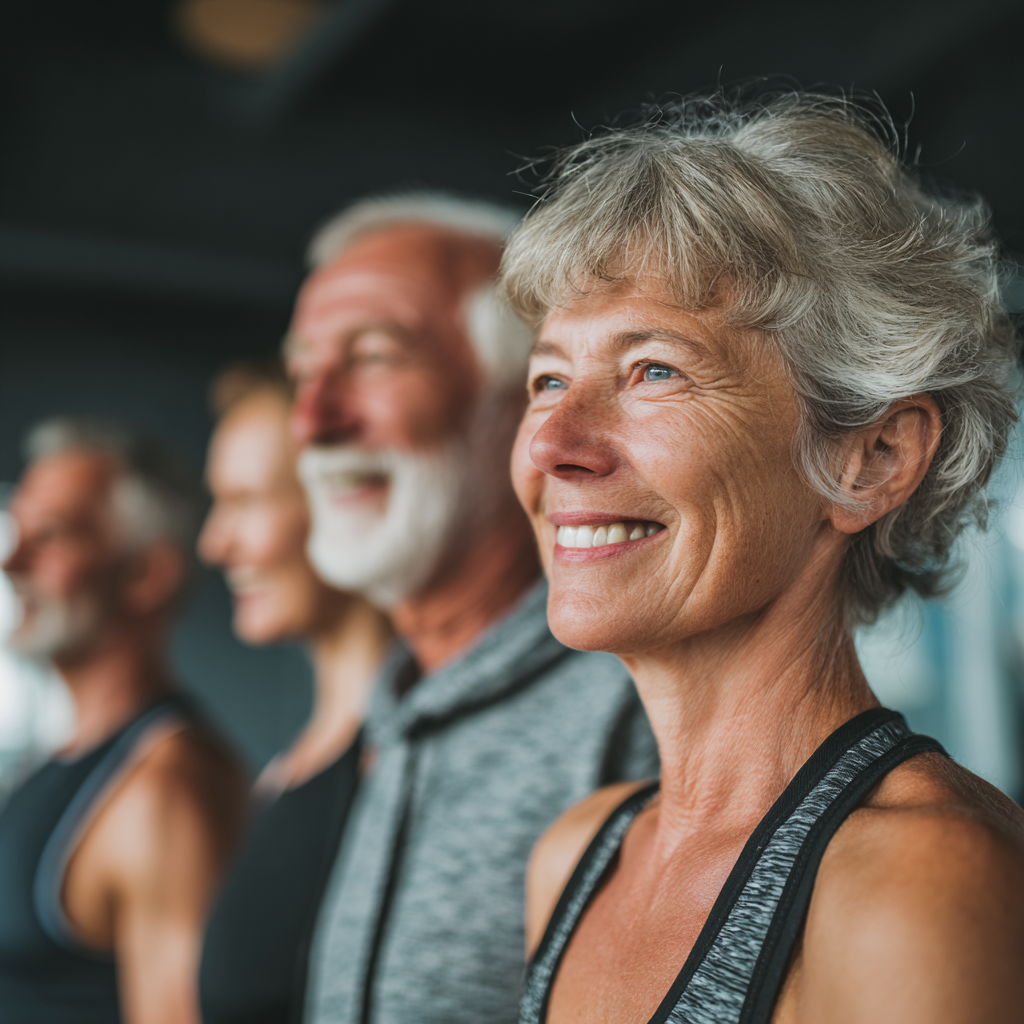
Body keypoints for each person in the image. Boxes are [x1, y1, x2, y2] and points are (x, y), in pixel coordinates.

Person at [501, 91, 1024, 1024]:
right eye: (548, 379)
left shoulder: (919, 878)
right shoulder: (578, 856)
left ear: (874, 460)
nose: (551, 444)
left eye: (652, 369)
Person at [285, 192, 660, 1024]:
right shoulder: (392, 705)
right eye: (302, 372)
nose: (315, 421)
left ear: (521, 402)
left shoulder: (633, 705)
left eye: (375, 356)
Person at [0, 418, 247, 1024]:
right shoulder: (66, 762)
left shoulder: (163, 791)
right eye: (17, 534)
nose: (12, 562)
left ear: (146, 575)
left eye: (51, 537)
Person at [196, 361, 392, 1024]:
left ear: (341, 501)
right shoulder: (284, 775)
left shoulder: (401, 765)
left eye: (247, 501)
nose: (214, 544)